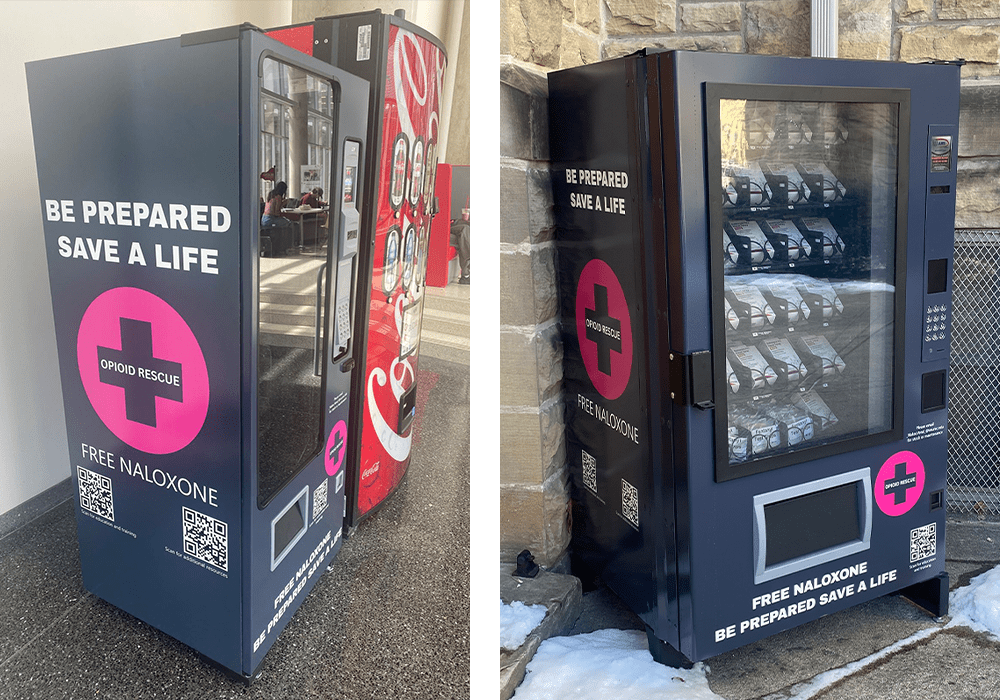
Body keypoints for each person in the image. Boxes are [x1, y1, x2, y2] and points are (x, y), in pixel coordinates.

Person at [449, 215, 470, 284]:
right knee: (465, 230)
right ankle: (466, 273)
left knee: (465, 234)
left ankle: (466, 274)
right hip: (446, 225)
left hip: (455, 222)